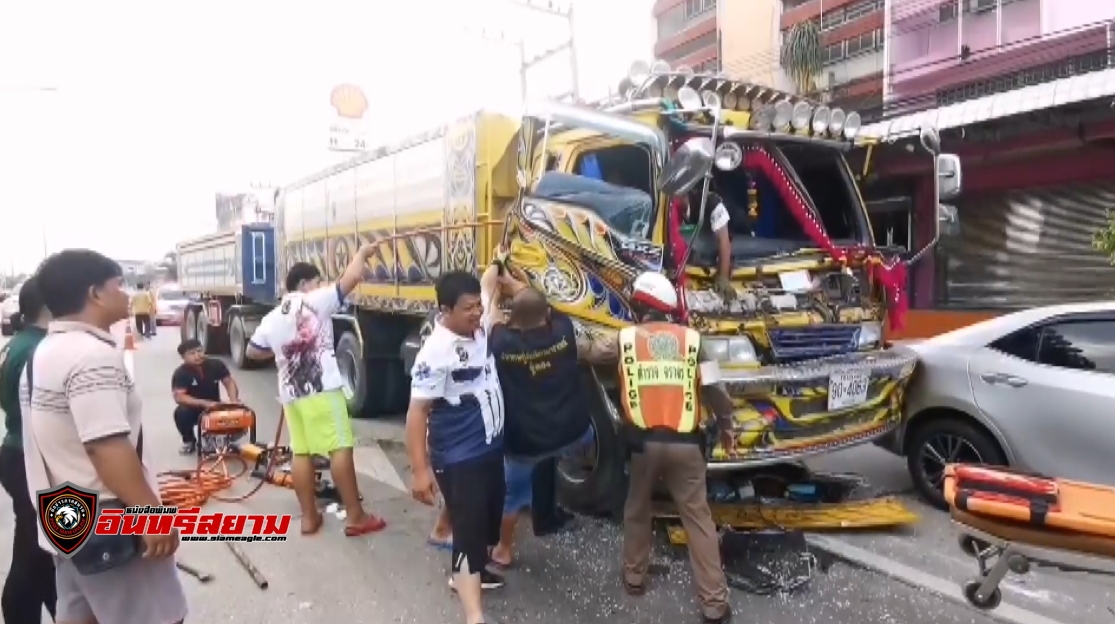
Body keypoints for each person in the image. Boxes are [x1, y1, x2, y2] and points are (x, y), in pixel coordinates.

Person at [23, 249, 187, 624]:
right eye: (118, 285)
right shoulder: (91, 357)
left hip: (67, 521)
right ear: (95, 294)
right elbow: (104, 446)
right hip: (111, 527)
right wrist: (150, 516)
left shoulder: (42, 353)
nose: (127, 293)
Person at [616, 271, 735, 624]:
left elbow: (589, 351)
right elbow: (717, 391)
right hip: (687, 446)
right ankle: (714, 605)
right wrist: (727, 427)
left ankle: (634, 577)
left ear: (640, 306)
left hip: (642, 446)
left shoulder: (623, 340)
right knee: (698, 519)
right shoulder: (696, 342)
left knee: (638, 509)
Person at [245, 249, 386, 537]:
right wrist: (361, 253)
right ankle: (356, 516)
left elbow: (252, 351)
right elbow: (352, 277)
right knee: (340, 447)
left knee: (302, 451)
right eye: (317, 282)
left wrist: (283, 353)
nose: (320, 286)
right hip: (322, 391)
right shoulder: (314, 302)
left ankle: (309, 518)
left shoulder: (272, 317)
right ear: (304, 285)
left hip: (291, 395)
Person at [486, 275, 616, 569]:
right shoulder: (563, 332)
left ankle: (504, 550)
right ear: (545, 316)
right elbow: (547, 307)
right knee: (550, 457)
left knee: (513, 496)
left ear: (513, 320)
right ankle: (545, 513)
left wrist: (495, 291)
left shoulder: (502, 343)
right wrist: (516, 285)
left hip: (526, 444)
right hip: (572, 435)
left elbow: (490, 315)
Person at [406, 264, 505, 624]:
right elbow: (416, 414)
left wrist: (496, 267)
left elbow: (489, 290)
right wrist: (420, 471)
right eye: (468, 308)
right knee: (469, 532)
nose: (477, 312)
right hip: (460, 457)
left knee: (486, 525)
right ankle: (473, 615)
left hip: (490, 451)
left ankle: (470, 569)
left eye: (478, 306)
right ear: (445, 311)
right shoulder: (436, 352)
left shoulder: (479, 328)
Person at [0, 275, 57, 623]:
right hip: (31, 456)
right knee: (36, 548)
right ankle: (21, 613)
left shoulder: (20, 343)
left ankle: (56, 608)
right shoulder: (39, 349)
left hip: (17, 449)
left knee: (43, 545)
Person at [171, 338, 241, 454]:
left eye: (199, 351)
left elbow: (229, 382)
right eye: (192, 353)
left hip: (215, 406)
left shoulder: (216, 364)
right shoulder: (180, 373)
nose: (197, 356)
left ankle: (230, 439)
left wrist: (234, 400)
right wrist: (205, 403)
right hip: (194, 409)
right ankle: (189, 441)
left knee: (241, 410)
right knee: (181, 413)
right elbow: (179, 397)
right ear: (183, 357)